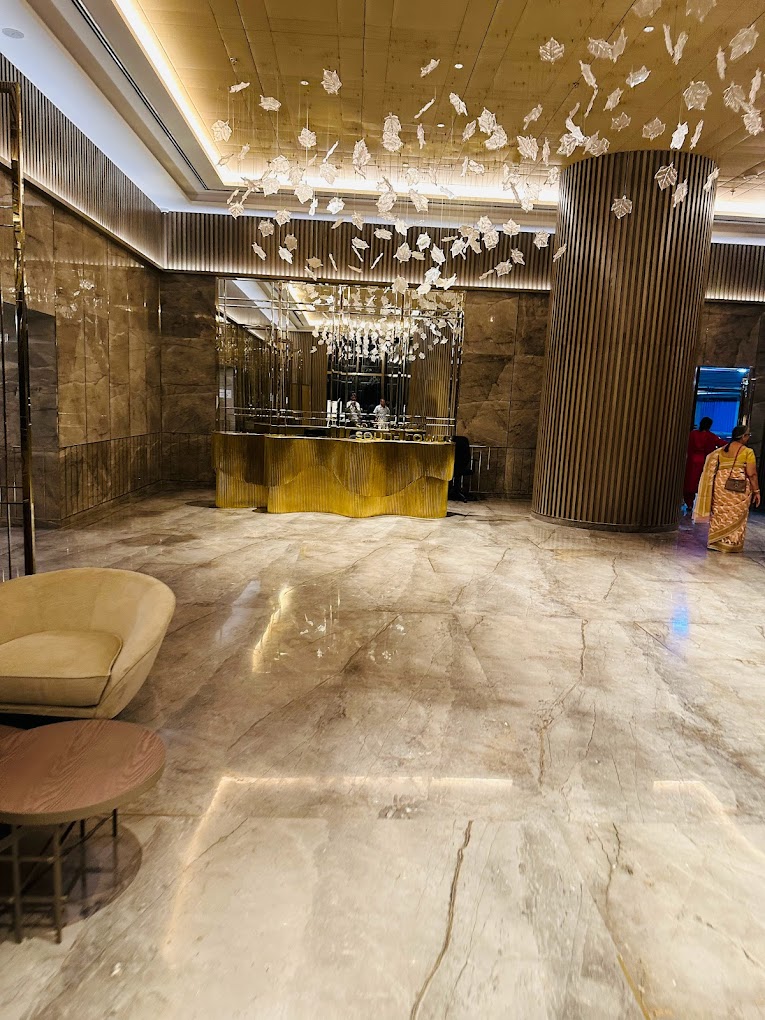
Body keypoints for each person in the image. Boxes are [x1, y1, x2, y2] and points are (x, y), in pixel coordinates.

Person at [694, 425, 761, 553]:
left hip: (721, 486)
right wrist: (757, 491)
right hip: (739, 488)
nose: (748, 437)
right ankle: (730, 544)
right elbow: (752, 474)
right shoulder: (748, 452)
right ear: (743, 437)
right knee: (736, 514)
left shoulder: (721, 451)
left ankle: (715, 541)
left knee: (720, 512)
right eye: (748, 435)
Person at [683, 416, 724, 512]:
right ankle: (702, 506)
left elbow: (688, 446)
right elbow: (721, 443)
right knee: (702, 483)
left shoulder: (693, 434)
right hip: (704, 461)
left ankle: (689, 503)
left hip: (692, 461)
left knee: (689, 482)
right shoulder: (711, 436)